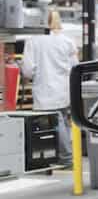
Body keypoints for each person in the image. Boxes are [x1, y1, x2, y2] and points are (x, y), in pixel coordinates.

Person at [20, 10, 80, 166]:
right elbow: (75, 67)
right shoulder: (67, 41)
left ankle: (65, 158)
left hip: (45, 91)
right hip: (65, 90)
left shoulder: (33, 41)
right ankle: (65, 156)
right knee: (64, 123)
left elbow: (27, 70)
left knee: (55, 124)